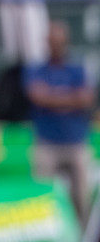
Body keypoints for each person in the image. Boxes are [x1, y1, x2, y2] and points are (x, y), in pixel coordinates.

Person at [25, 22, 95, 222]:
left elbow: (86, 98)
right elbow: (37, 96)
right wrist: (71, 99)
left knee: (81, 197)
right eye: (52, 42)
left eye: (59, 42)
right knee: (43, 196)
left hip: (75, 141)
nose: (56, 46)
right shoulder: (37, 69)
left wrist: (52, 98)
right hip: (47, 142)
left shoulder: (77, 68)